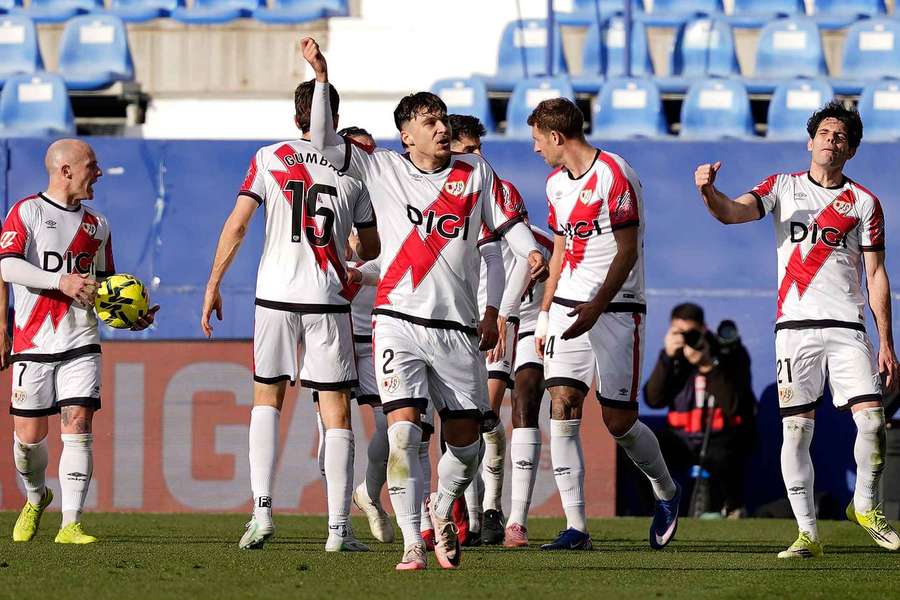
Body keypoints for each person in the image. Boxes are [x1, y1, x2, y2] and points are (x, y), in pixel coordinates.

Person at [301, 38, 548, 570]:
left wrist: (529, 260)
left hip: (457, 329)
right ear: (406, 134)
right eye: (428, 120)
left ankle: (441, 506)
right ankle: (413, 540)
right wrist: (322, 77)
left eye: (441, 119)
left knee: (469, 447)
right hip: (397, 322)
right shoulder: (381, 169)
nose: (441, 128)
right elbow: (322, 141)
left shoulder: (476, 175)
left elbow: (512, 230)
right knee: (402, 432)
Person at [694, 100, 900, 558]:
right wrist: (709, 192)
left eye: (841, 136)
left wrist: (886, 340)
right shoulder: (781, 188)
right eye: (825, 132)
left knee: (872, 422)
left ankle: (865, 506)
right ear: (810, 142)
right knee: (796, 432)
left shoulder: (864, 202)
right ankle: (807, 533)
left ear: (851, 151)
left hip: (849, 326)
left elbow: (876, 274)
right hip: (795, 329)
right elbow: (732, 212)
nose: (832, 139)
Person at [200, 79, 380, 552]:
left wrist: (214, 283)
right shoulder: (353, 169)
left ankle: (261, 514)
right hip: (327, 296)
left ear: (296, 115)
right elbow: (373, 247)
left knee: (266, 399)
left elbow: (238, 225)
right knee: (336, 411)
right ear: (333, 118)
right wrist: (353, 243)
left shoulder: (268, 157)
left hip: (275, 294)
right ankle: (339, 530)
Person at [529, 98, 681, 551]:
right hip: (567, 307)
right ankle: (576, 528)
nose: (536, 149)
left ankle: (667, 490)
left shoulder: (615, 175)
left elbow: (627, 250)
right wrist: (544, 312)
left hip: (617, 308)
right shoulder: (556, 184)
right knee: (562, 402)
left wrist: (597, 305)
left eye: (538, 139)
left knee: (618, 421)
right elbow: (559, 250)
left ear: (557, 137)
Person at [2, 139, 158, 544]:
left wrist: (129, 314)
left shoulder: (98, 225)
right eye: (92, 165)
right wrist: (60, 281)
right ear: (65, 169)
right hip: (33, 341)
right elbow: (7, 264)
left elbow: (106, 285)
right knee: (27, 442)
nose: (99, 172)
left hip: (80, 339)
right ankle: (37, 497)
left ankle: (71, 523)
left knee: (78, 423)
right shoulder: (27, 211)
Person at [449, 114, 534, 545]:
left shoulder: (501, 191)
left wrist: (505, 312)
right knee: (454, 422)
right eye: (468, 149)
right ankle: (462, 511)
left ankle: (492, 509)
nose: (478, 157)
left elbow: (523, 257)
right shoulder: (435, 193)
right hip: (447, 318)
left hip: (494, 317)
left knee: (486, 416)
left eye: (480, 148)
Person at [644, 303, 757, 517]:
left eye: (693, 333)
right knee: (645, 448)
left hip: (720, 439)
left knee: (727, 452)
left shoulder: (728, 352)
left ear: (704, 329)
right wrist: (667, 358)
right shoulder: (673, 357)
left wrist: (707, 366)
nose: (688, 339)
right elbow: (653, 399)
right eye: (680, 333)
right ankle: (654, 511)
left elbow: (735, 407)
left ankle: (733, 508)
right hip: (681, 440)